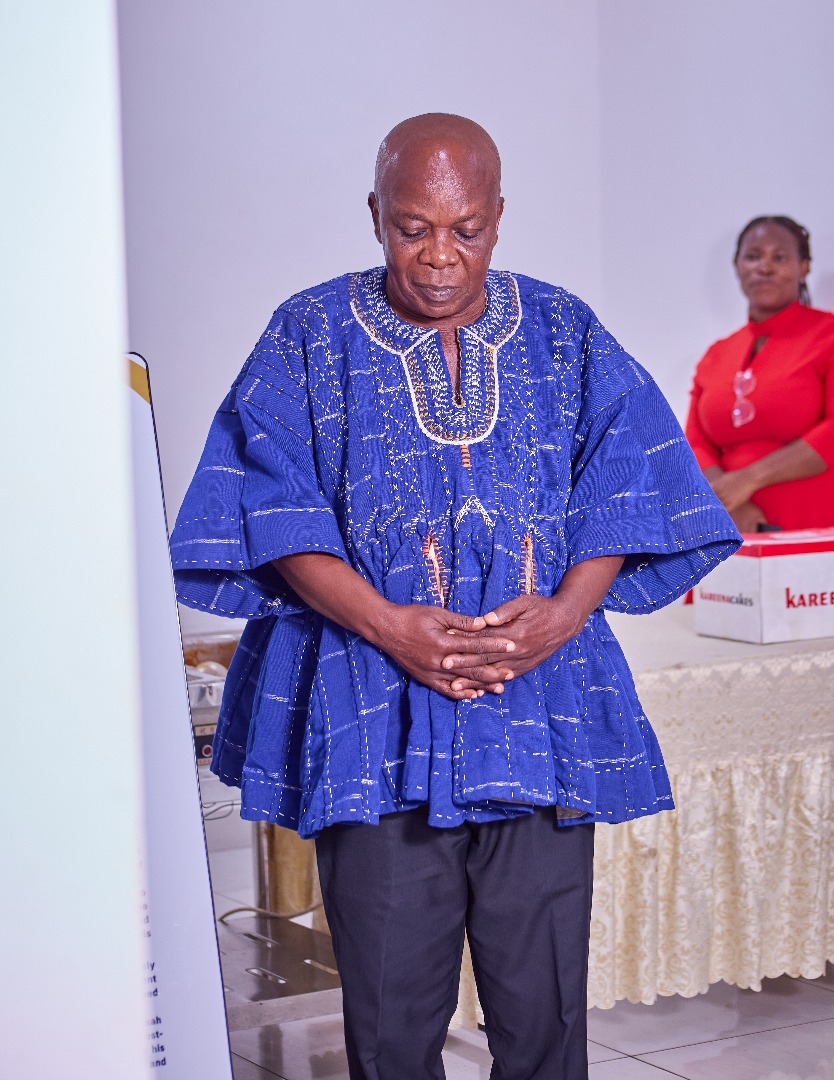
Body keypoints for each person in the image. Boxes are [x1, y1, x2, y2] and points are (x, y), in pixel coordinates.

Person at [171, 114, 739, 1080]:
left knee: (543, 1012)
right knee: (391, 1023)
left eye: (466, 229)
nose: (439, 255)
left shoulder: (562, 330)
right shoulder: (307, 332)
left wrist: (564, 614)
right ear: (375, 215)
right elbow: (274, 511)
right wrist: (390, 627)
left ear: (499, 217)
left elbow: (629, 483)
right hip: (372, 709)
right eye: (412, 228)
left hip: (537, 710)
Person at [685, 215, 834, 533]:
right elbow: (695, 442)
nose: (764, 267)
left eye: (779, 257)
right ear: (737, 266)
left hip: (814, 528)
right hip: (730, 531)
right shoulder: (716, 354)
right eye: (753, 256)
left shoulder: (828, 335)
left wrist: (748, 480)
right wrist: (726, 499)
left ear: (803, 267)